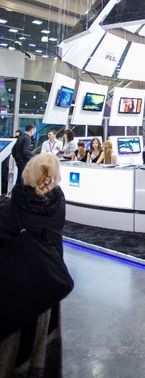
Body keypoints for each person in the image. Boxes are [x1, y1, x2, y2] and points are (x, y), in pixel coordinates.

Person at [0, 153, 66, 374]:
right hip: (48, 284)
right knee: (41, 349)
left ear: (28, 172)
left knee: (12, 352)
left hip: (16, 292)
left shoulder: (10, 208)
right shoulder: (58, 204)